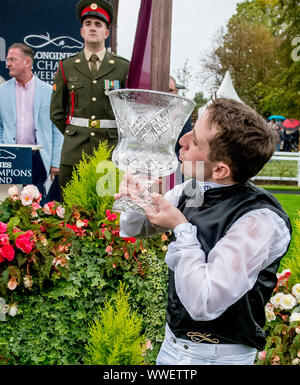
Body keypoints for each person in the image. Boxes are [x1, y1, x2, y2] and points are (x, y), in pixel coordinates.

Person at [117, 98, 292, 365]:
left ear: (220, 169)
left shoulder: (260, 219)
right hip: (171, 345)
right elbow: (132, 228)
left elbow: (204, 302)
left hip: (218, 356)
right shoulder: (192, 190)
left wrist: (181, 228)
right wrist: (138, 198)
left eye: (196, 141)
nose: (182, 141)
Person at [50, 0, 130, 195]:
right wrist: (75, 132)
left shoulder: (123, 68)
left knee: (107, 211)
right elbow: (57, 113)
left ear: (106, 33)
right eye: (88, 24)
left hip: (109, 151)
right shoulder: (66, 67)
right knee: (71, 210)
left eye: (98, 24)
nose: (92, 28)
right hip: (74, 151)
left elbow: (129, 112)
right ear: (82, 31)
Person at [0, 43, 63, 203]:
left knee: (38, 205)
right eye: (7, 59)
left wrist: (55, 162)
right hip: (11, 158)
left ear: (27, 62)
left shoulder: (48, 91)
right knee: (11, 205)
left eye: (12, 59)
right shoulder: (2, 91)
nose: (7, 64)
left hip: (39, 157)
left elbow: (57, 128)